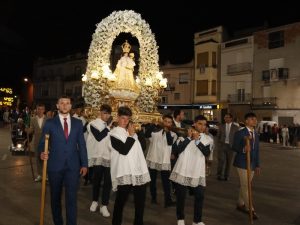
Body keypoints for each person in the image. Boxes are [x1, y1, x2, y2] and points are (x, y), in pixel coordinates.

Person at [39, 96, 88, 225]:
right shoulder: (50, 123)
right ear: (57, 106)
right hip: (55, 166)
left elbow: (82, 145)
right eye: (62, 103)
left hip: (73, 167)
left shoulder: (78, 123)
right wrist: (41, 153)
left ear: (71, 106)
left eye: (67, 103)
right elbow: (42, 143)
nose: (65, 105)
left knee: (71, 199)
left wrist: (84, 164)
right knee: (55, 199)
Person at [108, 106, 150, 225]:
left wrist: (139, 132)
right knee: (120, 203)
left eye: (127, 119)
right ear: (118, 118)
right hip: (124, 172)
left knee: (140, 203)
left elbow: (142, 147)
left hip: (138, 171)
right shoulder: (113, 134)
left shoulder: (131, 132)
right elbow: (124, 150)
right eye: (123, 118)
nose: (125, 121)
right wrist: (131, 136)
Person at [170, 115, 213, 225]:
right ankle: (180, 218)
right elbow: (177, 150)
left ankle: (197, 220)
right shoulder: (184, 135)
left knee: (200, 196)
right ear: (194, 123)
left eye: (204, 124)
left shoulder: (207, 139)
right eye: (200, 123)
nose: (202, 126)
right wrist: (189, 138)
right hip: (183, 169)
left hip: (197, 171)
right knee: (181, 196)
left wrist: (197, 141)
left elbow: (207, 153)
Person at [145, 114, 177, 207]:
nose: (167, 123)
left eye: (169, 122)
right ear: (163, 122)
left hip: (164, 161)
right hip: (153, 158)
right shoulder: (155, 132)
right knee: (153, 181)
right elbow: (146, 134)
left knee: (166, 182)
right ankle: (153, 198)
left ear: (171, 124)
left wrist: (167, 132)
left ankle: (168, 200)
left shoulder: (173, 134)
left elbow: (169, 142)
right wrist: (153, 125)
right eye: (166, 121)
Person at [232, 112, 260, 220]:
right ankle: (250, 209)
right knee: (246, 186)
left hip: (252, 164)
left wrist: (257, 165)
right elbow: (234, 146)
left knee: (245, 185)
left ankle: (240, 203)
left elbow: (257, 151)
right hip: (242, 163)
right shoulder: (240, 133)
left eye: (255, 119)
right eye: (252, 119)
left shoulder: (256, 134)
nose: (255, 121)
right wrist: (243, 149)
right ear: (246, 121)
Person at [87, 104, 112, 217]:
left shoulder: (111, 127)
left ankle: (105, 205)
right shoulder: (92, 124)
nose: (106, 116)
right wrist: (108, 127)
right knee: (96, 180)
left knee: (108, 182)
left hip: (108, 156)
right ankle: (94, 201)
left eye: (108, 114)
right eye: (105, 113)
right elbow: (99, 136)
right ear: (100, 112)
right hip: (97, 156)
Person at [27, 103, 47, 182]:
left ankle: (46, 175)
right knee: (38, 159)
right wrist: (27, 130)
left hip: (46, 142)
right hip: (37, 142)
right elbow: (31, 129)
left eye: (42, 109)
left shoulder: (48, 119)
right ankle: (39, 175)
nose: (40, 111)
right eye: (38, 109)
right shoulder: (33, 119)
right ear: (36, 110)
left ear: (44, 110)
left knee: (46, 159)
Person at [216, 113, 239, 181]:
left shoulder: (235, 127)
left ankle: (226, 175)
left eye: (228, 117)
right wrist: (219, 145)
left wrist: (235, 146)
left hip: (231, 147)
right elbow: (218, 136)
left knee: (229, 162)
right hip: (222, 145)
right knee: (221, 161)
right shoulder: (221, 126)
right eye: (225, 117)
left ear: (231, 118)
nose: (226, 118)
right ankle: (219, 175)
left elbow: (237, 138)